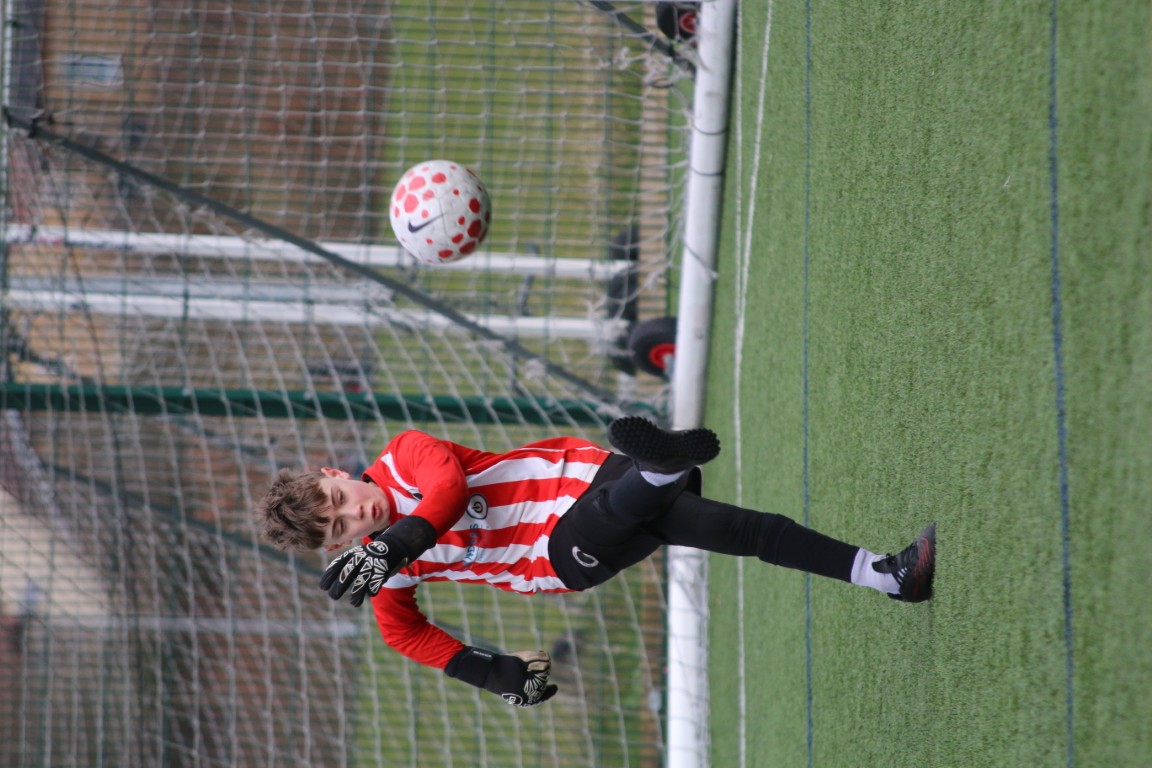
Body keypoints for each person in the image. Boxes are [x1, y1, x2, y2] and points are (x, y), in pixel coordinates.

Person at [256, 416, 936, 707]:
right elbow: (401, 633)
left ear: (332, 473)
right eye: (340, 528)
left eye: (340, 499)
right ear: (336, 544)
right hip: (557, 555)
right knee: (626, 513)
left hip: (586, 474)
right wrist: (492, 673)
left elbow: (448, 491)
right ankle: (661, 467)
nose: (355, 516)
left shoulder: (405, 454)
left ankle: (889, 575)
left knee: (744, 530)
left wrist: (393, 544)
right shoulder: (384, 570)